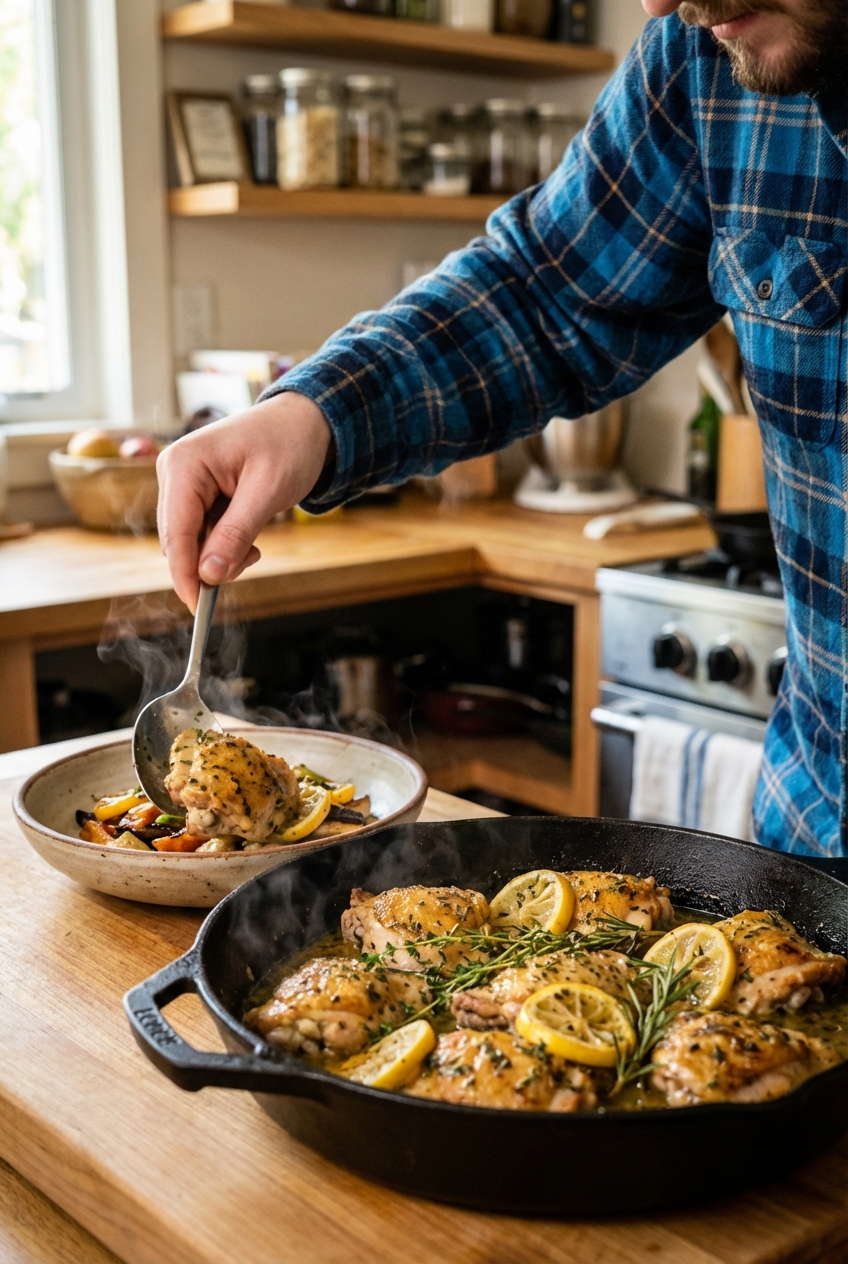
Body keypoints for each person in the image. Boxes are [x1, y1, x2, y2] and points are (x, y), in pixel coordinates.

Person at [156, 0, 847, 858]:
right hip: (824, 832)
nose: (660, 0)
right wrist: (311, 414)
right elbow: (547, 291)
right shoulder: (708, 59)